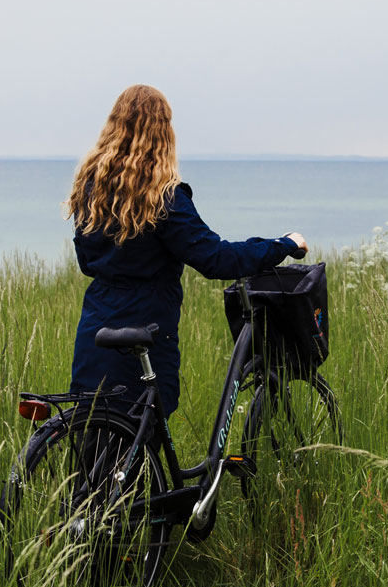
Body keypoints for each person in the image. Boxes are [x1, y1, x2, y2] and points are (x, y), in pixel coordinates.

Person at [67, 84, 308, 417]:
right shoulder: (163, 197)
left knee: (95, 429)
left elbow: (87, 263)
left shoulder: (90, 190)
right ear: (163, 134)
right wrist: (283, 245)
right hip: (146, 328)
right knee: (145, 426)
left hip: (96, 329)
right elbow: (216, 258)